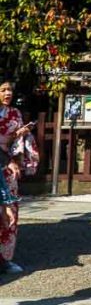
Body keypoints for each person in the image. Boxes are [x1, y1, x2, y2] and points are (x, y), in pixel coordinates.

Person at [0, 80, 33, 275]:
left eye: (9, 89)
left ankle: (5, 259)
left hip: (8, 167)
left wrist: (20, 135)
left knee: (10, 213)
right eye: (3, 90)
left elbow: (17, 142)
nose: (7, 93)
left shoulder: (15, 114)